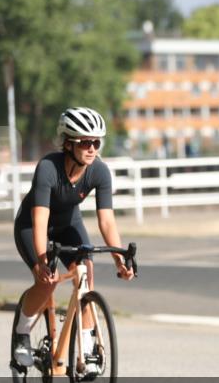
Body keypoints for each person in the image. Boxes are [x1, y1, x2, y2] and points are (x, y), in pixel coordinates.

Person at [11, 107, 135, 369]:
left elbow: (106, 220)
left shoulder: (99, 171)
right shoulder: (47, 168)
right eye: (85, 142)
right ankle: (22, 335)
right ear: (68, 143)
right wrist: (43, 260)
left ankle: (88, 349)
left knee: (85, 277)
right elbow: (40, 219)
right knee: (47, 283)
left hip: (69, 224)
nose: (92, 149)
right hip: (33, 226)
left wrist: (119, 259)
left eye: (96, 142)